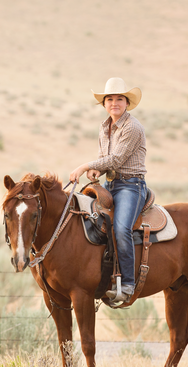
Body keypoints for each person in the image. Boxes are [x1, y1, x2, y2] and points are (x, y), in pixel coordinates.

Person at [69, 77, 148, 304]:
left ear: (127, 103)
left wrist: (86, 166)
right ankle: (100, 277)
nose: (115, 103)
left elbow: (116, 158)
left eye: (120, 99)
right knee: (87, 220)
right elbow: (106, 161)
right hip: (111, 185)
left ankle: (129, 284)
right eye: (110, 99)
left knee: (121, 228)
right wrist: (96, 173)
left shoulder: (132, 127)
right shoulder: (105, 128)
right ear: (104, 104)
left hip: (131, 186)